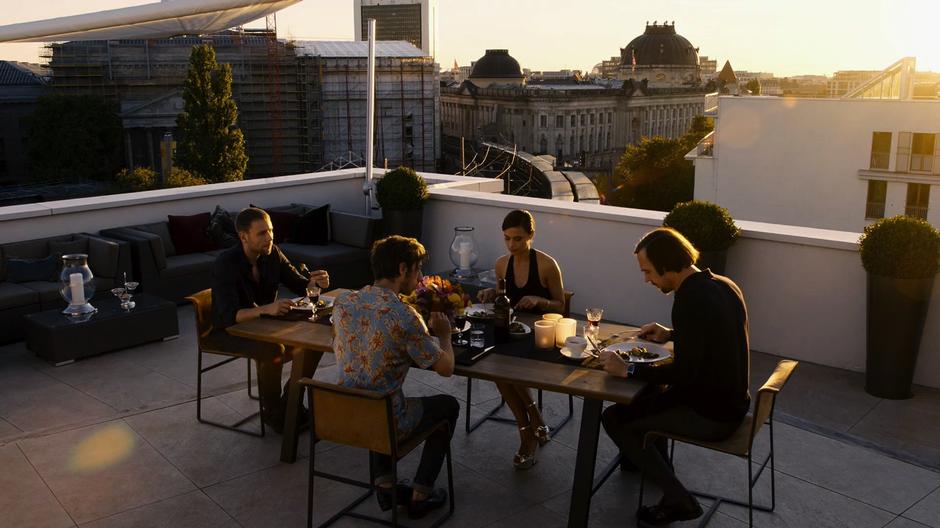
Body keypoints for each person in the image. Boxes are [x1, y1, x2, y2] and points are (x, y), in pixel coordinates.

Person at [599, 227, 750, 526]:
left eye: (649, 272)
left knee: (615, 418)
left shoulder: (690, 299)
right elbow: (715, 337)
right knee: (648, 399)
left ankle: (679, 499)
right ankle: (650, 466)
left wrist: (626, 369)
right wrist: (672, 334)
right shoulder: (723, 284)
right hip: (733, 402)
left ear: (667, 264)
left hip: (712, 415)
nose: (647, 280)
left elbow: (684, 373)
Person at [333, 236, 459, 519]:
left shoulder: (343, 303)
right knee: (447, 405)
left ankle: (386, 484)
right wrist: (444, 335)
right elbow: (446, 368)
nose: (421, 277)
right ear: (403, 269)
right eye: (418, 269)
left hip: (342, 412)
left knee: (375, 387)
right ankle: (421, 493)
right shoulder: (404, 315)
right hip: (384, 419)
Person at [210, 207, 330, 433]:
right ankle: (274, 413)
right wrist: (267, 308)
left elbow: (299, 285)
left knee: (315, 340)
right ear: (243, 237)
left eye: (271, 231)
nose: (270, 237)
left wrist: (316, 284)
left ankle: (291, 402)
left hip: (265, 325)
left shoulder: (272, 253)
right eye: (262, 233)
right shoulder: (226, 263)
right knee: (273, 349)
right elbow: (228, 316)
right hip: (227, 331)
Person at [478, 209, 565, 469]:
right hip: (513, 331)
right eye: (507, 239)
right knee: (497, 365)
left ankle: (527, 433)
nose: (512, 245)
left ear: (531, 235)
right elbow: (505, 298)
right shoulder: (502, 264)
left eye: (518, 239)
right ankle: (533, 421)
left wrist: (541, 300)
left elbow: (561, 305)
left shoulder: (548, 265)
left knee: (503, 369)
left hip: (541, 336)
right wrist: (492, 292)